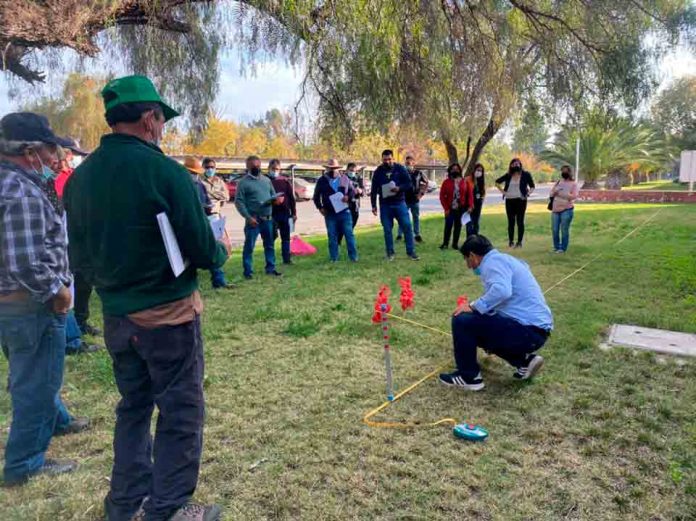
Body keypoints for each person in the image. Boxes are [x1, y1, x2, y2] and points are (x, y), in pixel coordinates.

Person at [64, 75, 228, 521]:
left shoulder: (79, 180)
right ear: (149, 119)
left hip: (117, 315)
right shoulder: (165, 172)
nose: (162, 128)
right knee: (180, 410)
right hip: (168, 313)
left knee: (133, 406)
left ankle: (124, 501)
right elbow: (199, 245)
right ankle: (168, 507)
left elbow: (77, 256)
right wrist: (220, 252)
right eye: (160, 119)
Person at [0, 112, 89, 486]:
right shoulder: (20, 192)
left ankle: (59, 421)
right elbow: (26, 261)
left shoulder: (15, 182)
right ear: (30, 151)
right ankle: (24, 463)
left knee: (31, 372)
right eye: (50, 151)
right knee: (37, 381)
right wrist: (59, 291)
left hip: (12, 304)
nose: (56, 159)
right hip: (31, 303)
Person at [439, 235, 553, 390]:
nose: (468, 266)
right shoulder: (505, 260)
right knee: (480, 324)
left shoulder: (492, 263)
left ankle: (468, 377)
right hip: (536, 332)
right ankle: (525, 361)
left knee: (462, 319)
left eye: (467, 260)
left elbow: (502, 291)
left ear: (473, 255)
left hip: (527, 331)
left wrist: (472, 306)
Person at [184, 156, 234, 290]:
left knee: (213, 247)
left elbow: (207, 199)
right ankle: (190, 285)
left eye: (195, 173)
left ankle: (218, 279)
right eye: (192, 173)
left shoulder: (199, 185)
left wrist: (209, 207)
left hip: (208, 219)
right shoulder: (184, 185)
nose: (194, 176)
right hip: (191, 224)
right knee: (190, 254)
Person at [236, 155, 284, 279]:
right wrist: (248, 217)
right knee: (249, 247)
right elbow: (239, 202)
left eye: (258, 166)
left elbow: (273, 194)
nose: (256, 168)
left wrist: (277, 200)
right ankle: (248, 272)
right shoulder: (243, 183)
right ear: (247, 167)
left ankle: (271, 268)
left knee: (269, 245)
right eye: (253, 166)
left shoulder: (266, 180)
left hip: (267, 218)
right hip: (253, 220)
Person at [370, 149, 419, 261]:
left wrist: (399, 188)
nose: (387, 161)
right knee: (387, 229)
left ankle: (411, 252)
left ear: (393, 158)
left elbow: (408, 184)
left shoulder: (400, 169)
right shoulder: (378, 171)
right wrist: (373, 205)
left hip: (399, 203)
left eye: (389, 159)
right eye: (384, 160)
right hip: (385, 205)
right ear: (382, 159)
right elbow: (373, 189)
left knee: (407, 226)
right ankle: (390, 253)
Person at [313, 158, 358, 262]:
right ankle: (334, 258)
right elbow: (316, 196)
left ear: (338, 168)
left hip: (344, 212)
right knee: (332, 236)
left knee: (349, 235)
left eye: (335, 168)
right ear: (327, 168)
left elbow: (352, 191)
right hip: (330, 213)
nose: (333, 170)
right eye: (330, 168)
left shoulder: (344, 179)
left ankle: (353, 257)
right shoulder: (322, 180)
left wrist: (348, 197)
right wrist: (320, 207)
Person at [496, 158, 535, 248]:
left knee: (520, 221)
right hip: (509, 200)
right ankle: (511, 241)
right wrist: (503, 192)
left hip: (521, 200)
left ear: (520, 165)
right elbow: (497, 182)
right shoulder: (508, 175)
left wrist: (527, 194)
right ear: (511, 166)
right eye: (514, 164)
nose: (516, 165)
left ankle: (519, 242)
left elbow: (532, 186)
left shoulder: (525, 175)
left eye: (518, 163)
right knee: (511, 221)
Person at [267, 159, 297, 265]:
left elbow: (291, 198)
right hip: (271, 213)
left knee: (286, 238)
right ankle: (270, 260)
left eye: (277, 169)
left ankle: (287, 259)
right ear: (269, 168)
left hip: (284, 213)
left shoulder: (284, 181)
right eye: (273, 169)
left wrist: (294, 213)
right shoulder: (265, 181)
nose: (275, 171)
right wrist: (273, 201)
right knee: (271, 237)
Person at [439, 163, 473, 250]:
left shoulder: (465, 182)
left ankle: (455, 244)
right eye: (453, 169)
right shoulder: (446, 182)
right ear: (450, 171)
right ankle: (445, 243)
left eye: (457, 169)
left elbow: (469, 195)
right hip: (450, 208)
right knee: (448, 225)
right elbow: (442, 196)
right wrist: (446, 208)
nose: (455, 170)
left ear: (460, 170)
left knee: (458, 226)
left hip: (461, 208)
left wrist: (470, 206)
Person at [397, 155, 428, 243]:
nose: (408, 165)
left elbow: (426, 183)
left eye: (409, 163)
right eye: (406, 163)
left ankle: (417, 234)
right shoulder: (402, 173)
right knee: (402, 217)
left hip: (415, 199)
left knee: (415, 217)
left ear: (413, 163)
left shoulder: (419, 173)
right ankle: (400, 235)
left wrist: (421, 194)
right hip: (403, 200)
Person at [550, 165, 579, 253]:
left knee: (564, 229)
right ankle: (556, 246)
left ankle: (563, 248)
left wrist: (562, 193)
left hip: (566, 209)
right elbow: (551, 193)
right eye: (563, 171)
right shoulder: (558, 182)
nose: (564, 173)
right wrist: (555, 192)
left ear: (569, 173)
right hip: (555, 209)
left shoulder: (573, 184)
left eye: (566, 171)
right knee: (555, 229)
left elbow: (574, 196)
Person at [465, 163, 486, 237]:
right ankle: (469, 238)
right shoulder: (467, 179)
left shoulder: (481, 180)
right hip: (469, 204)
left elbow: (483, 192)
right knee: (469, 222)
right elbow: (465, 192)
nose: (479, 172)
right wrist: (469, 204)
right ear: (474, 170)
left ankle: (475, 238)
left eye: (481, 171)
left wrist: (482, 199)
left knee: (476, 222)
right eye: (478, 170)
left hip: (478, 204)